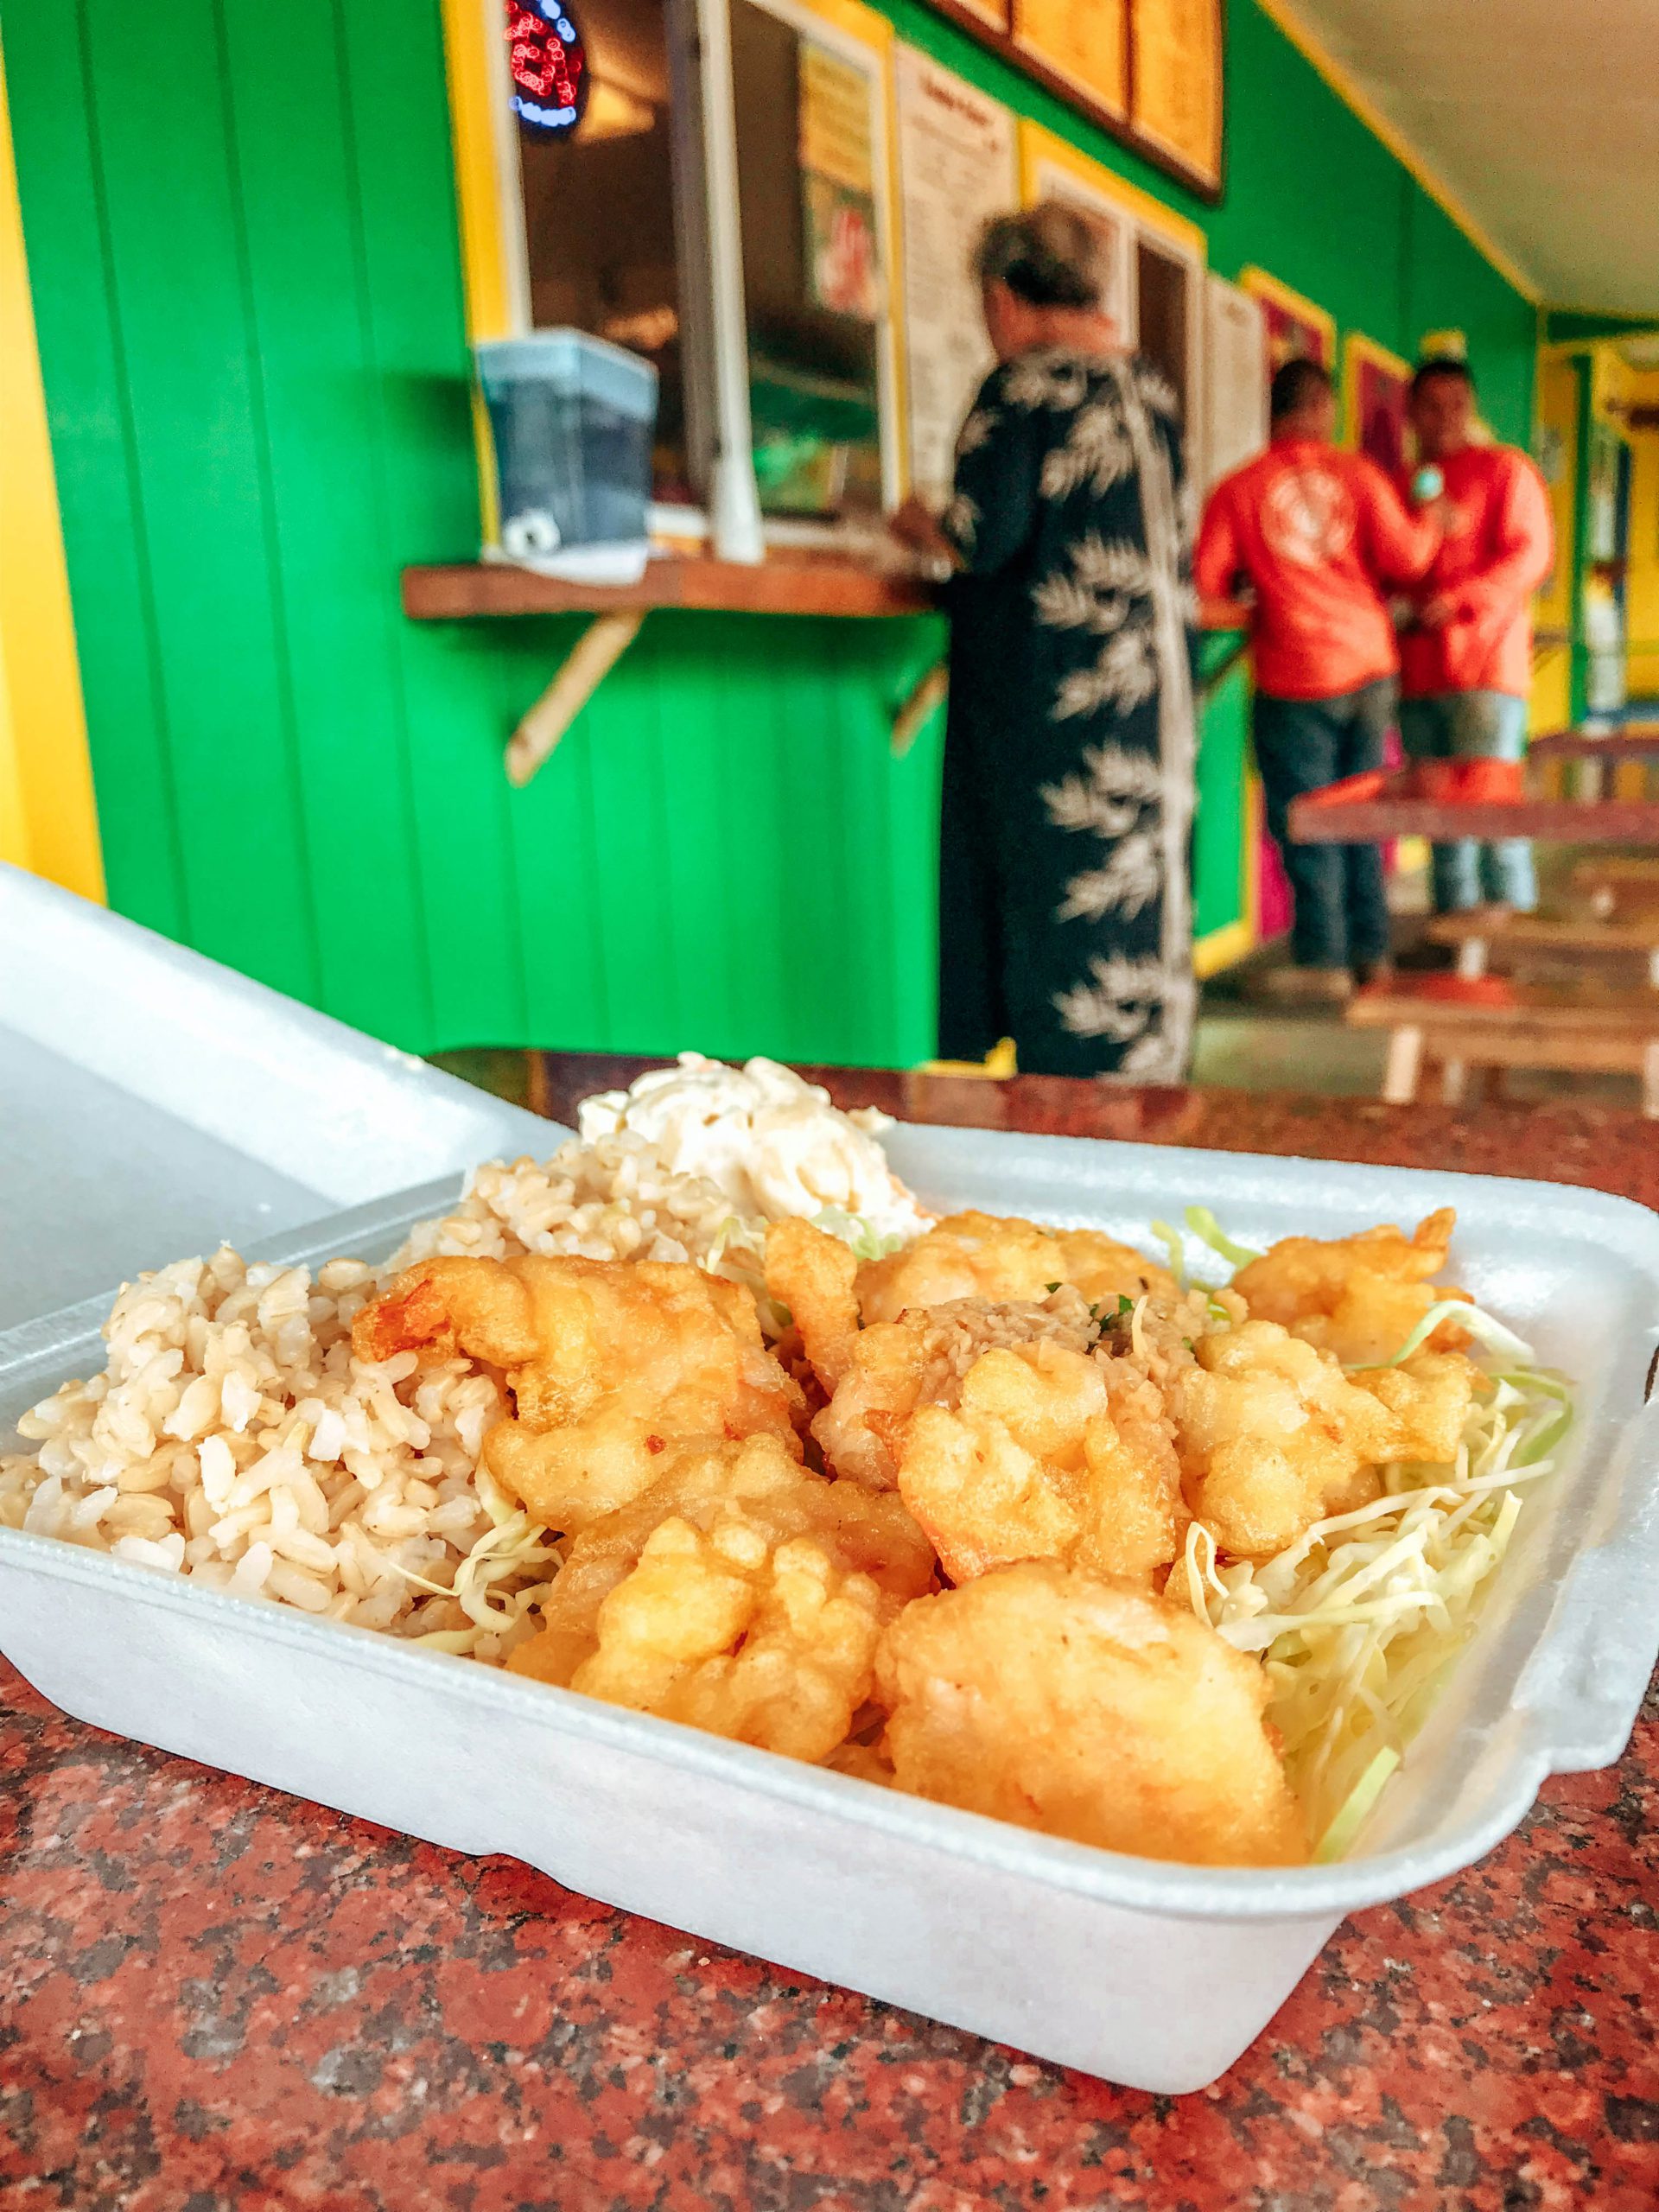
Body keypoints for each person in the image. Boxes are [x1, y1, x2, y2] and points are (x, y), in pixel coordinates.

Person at [888, 202, 1197, 1080]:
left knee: (1056, 900)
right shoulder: (1150, 386)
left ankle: (1068, 1125)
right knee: (1136, 897)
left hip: (1063, 710)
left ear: (1002, 297)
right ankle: (1141, 1088)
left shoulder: (1026, 387)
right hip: (1151, 710)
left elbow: (982, 536)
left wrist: (906, 519)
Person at [1195, 359, 1442, 1000]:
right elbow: (1411, 557)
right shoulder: (1359, 475)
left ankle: (1324, 962)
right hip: (1369, 667)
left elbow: (1202, 594)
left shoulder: (1239, 488)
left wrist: (1263, 609)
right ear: (1324, 409)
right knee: (1363, 813)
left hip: (1296, 677)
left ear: (1271, 411)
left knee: (1307, 820)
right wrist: (1433, 518)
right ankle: (1374, 955)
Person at [1397, 357, 1554, 915]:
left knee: (1495, 821)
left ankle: (1509, 950)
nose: (1444, 419)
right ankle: (1453, 950)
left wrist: (1460, 598)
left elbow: (1530, 556)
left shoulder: (1503, 469)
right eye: (1431, 407)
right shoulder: (1402, 484)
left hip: (1487, 673)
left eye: (1456, 406)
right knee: (1440, 825)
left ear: (1472, 409)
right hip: (1418, 677)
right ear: (1411, 413)